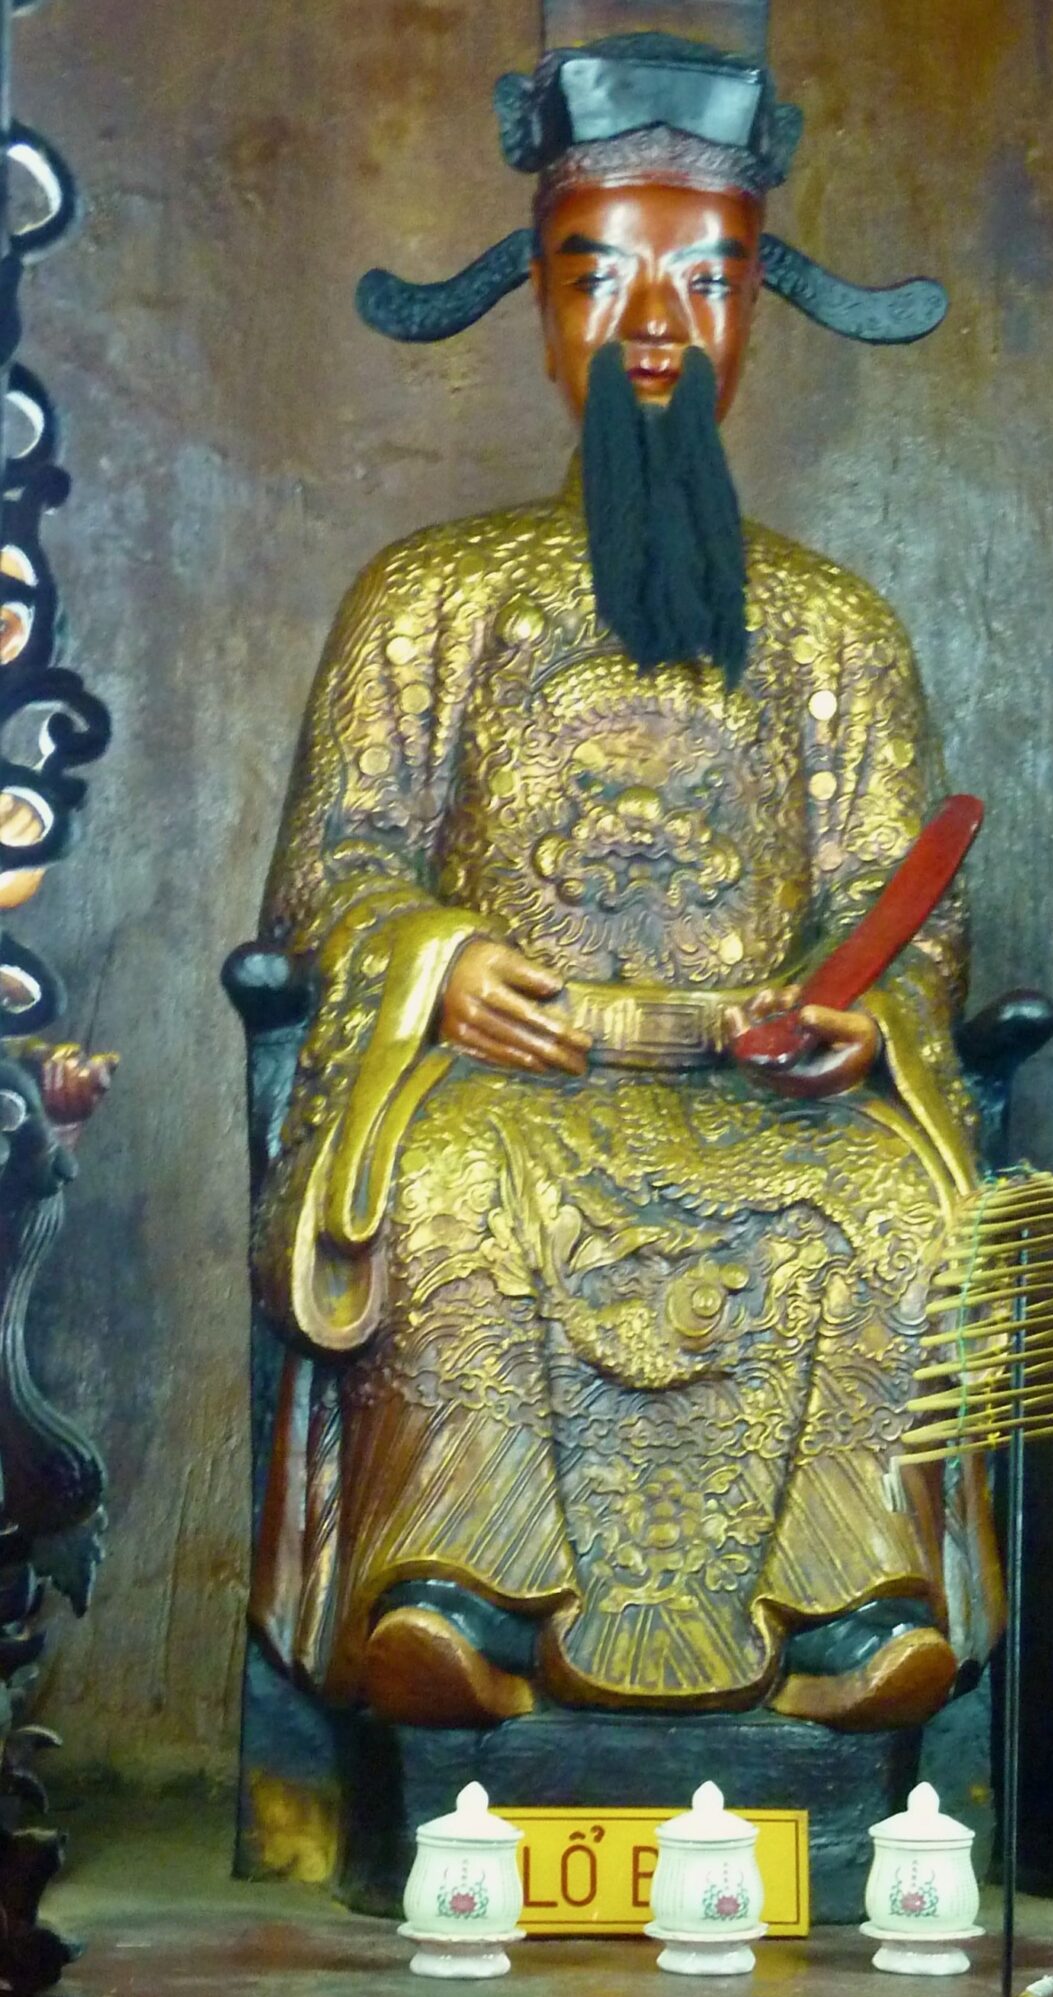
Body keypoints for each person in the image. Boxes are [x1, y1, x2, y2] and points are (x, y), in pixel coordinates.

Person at [249, 18, 994, 1735]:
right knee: (446, 1189)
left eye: (708, 282)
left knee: (886, 1205)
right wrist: (438, 961)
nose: (656, 324)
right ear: (536, 297)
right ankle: (454, 1595)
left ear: (757, 313)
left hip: (756, 1087)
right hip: (509, 1076)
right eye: (603, 275)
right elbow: (338, 860)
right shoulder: (429, 598)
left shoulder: (835, 627)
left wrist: (866, 1011)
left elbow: (902, 895)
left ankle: (849, 1610)